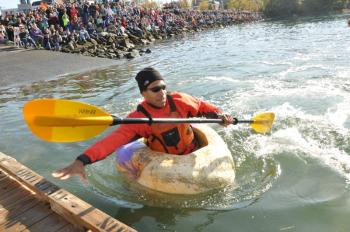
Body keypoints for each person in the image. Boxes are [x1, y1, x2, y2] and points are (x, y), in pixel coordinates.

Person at [52, 67, 234, 182]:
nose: (162, 93)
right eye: (155, 89)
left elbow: (202, 107)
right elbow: (112, 141)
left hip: (193, 150)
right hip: (164, 159)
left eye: (163, 87)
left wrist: (219, 115)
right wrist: (82, 160)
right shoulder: (139, 119)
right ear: (143, 93)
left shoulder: (180, 100)